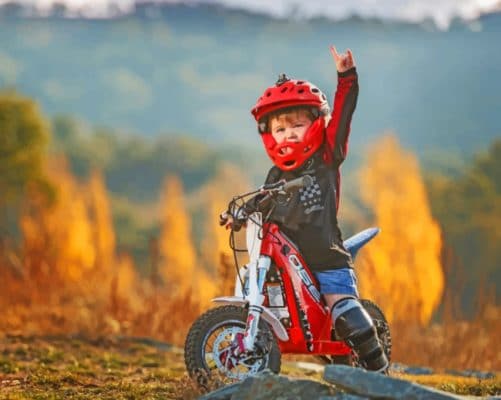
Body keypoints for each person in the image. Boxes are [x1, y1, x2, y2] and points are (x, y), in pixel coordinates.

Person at [224, 46, 388, 372]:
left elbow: (342, 117)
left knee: (344, 312)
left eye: (296, 125)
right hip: (284, 257)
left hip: (324, 257)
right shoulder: (276, 174)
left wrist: (346, 78)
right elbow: (260, 199)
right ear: (269, 136)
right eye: (280, 129)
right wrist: (237, 214)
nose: (288, 134)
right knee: (249, 285)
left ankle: (378, 367)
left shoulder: (327, 156)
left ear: (316, 123)